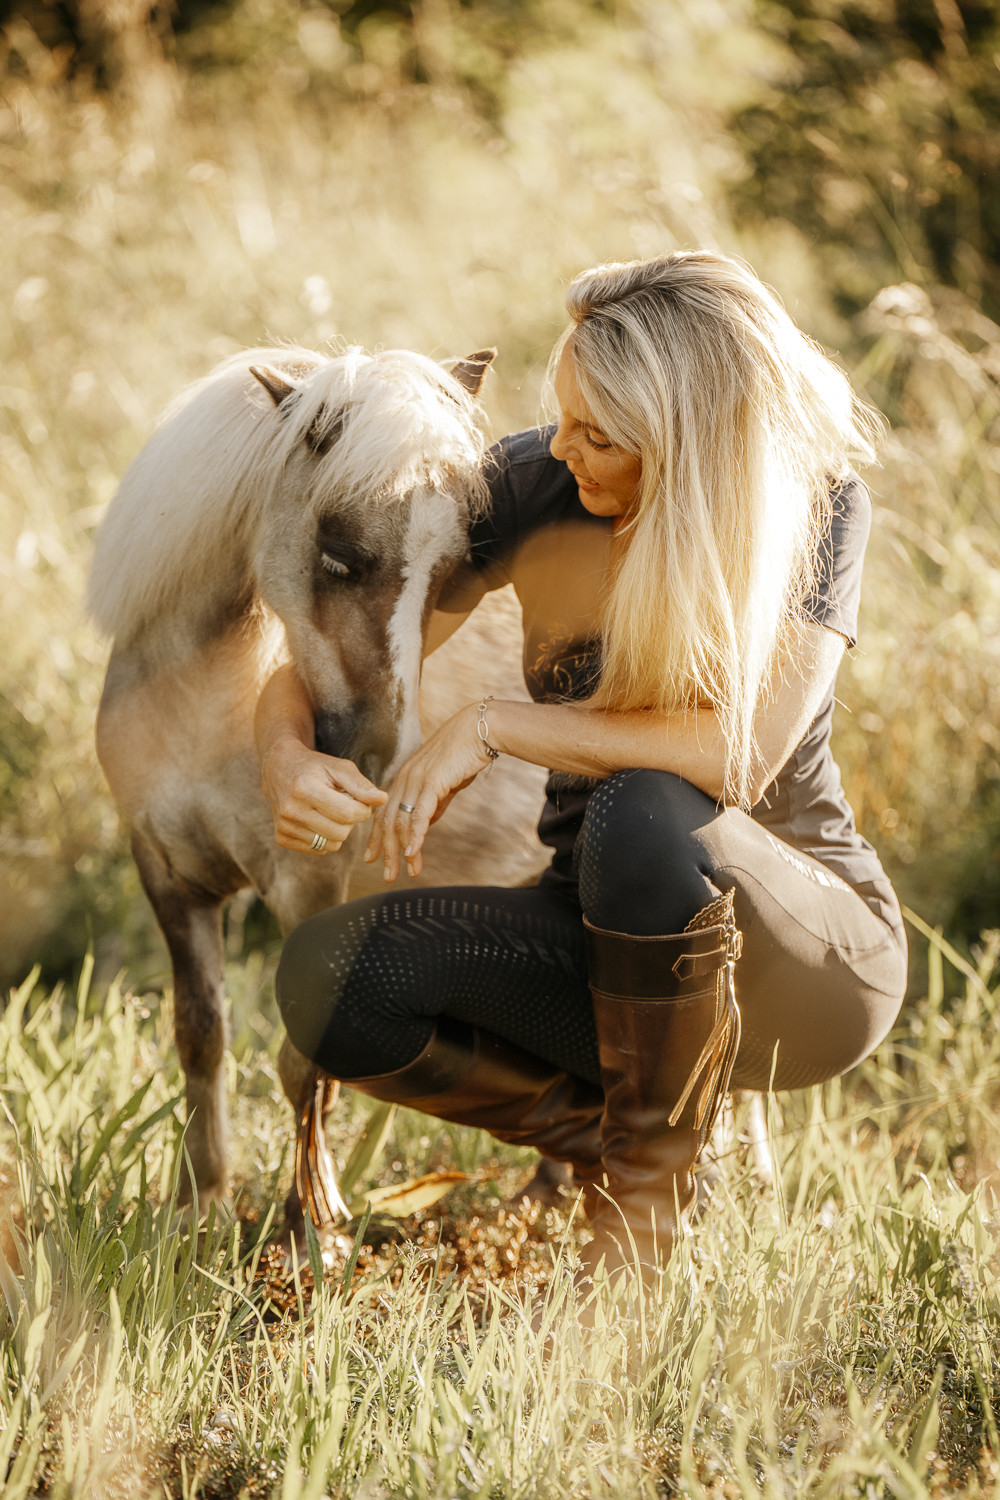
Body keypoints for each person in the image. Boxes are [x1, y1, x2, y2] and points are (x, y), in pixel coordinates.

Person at [258, 251, 908, 1286]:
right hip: (596, 940)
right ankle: (656, 1163)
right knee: (329, 979)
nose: (562, 447)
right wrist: (285, 752)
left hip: (806, 962)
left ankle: (644, 1226)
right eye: (563, 415)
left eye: (600, 435)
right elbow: (362, 638)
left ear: (696, 448)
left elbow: (736, 757)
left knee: (644, 808)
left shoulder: (814, 508)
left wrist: (492, 723)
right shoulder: (539, 481)